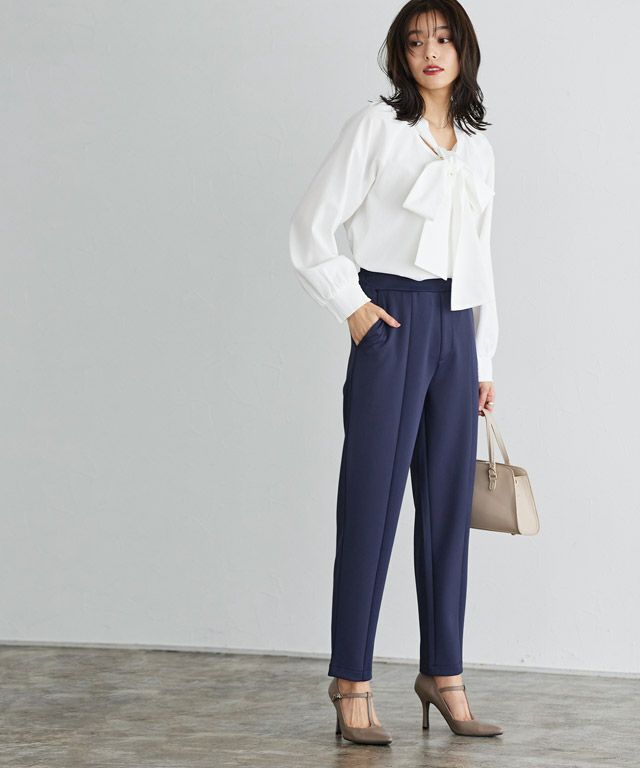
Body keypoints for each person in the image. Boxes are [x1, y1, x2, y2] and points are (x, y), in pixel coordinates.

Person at [289, 0, 503, 745]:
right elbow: (310, 228)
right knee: (371, 505)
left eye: (443, 38)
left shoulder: (477, 146)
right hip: (392, 319)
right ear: (399, 56)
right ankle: (350, 680)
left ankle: (444, 674)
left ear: (463, 49)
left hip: (457, 328)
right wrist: (352, 306)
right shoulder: (376, 128)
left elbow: (481, 255)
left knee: (447, 511)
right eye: (415, 42)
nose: (430, 51)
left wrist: (484, 356)